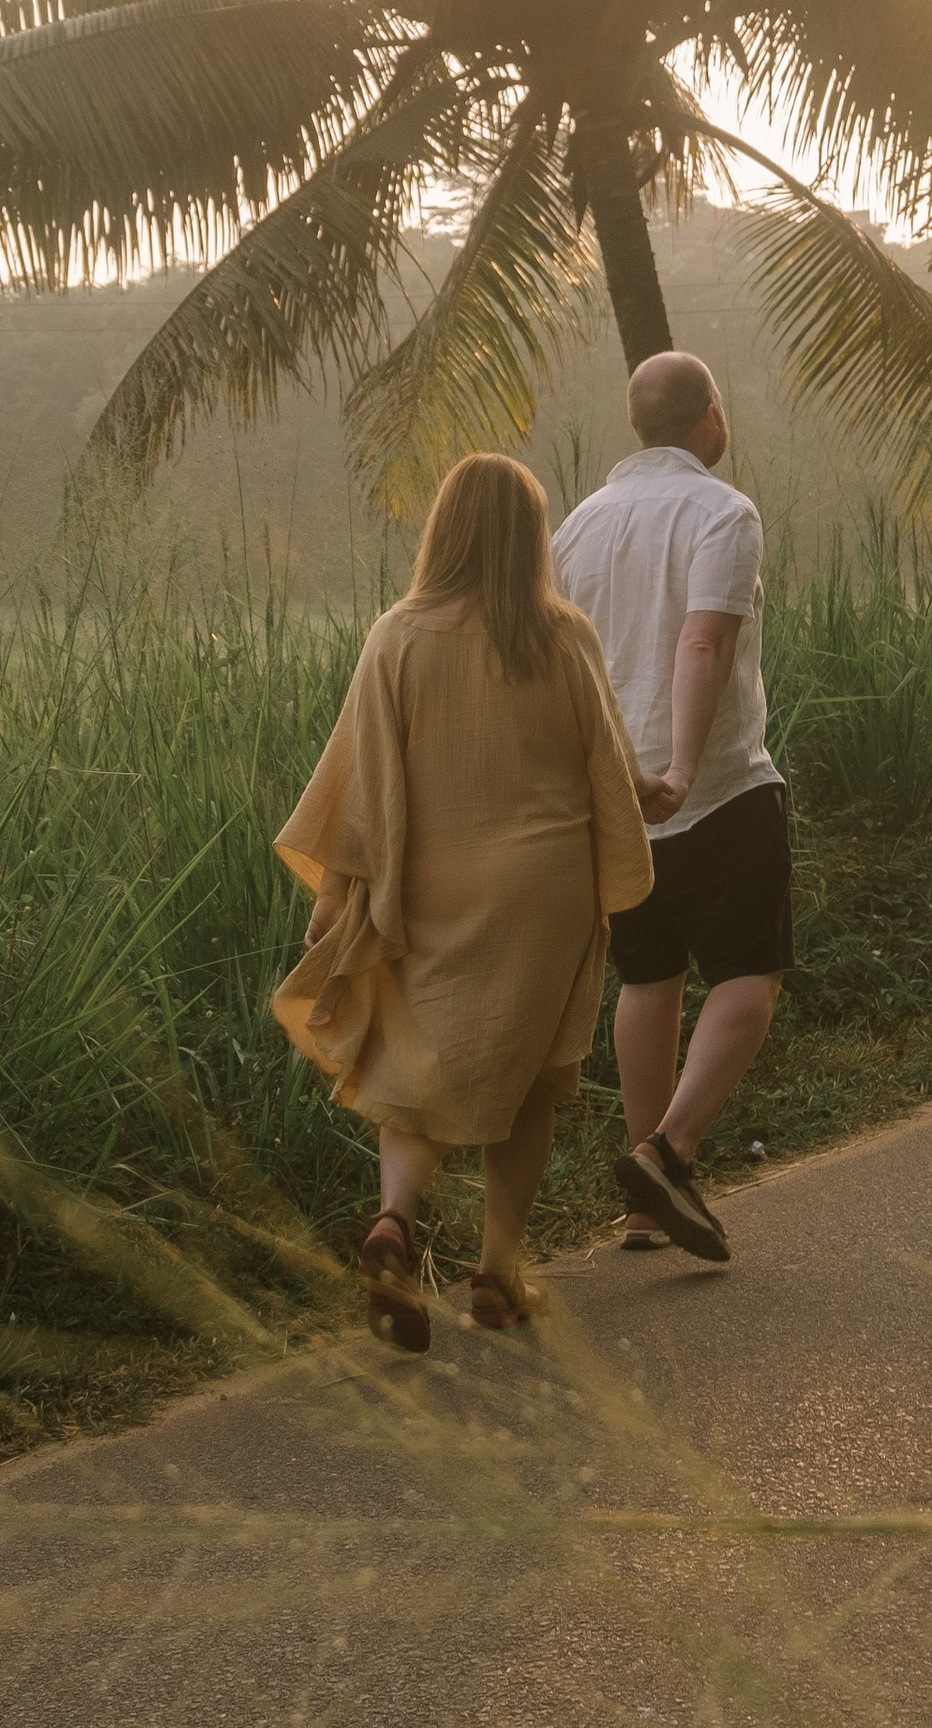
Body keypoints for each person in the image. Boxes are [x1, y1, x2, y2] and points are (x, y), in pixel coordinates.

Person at [270, 452, 654, 1351]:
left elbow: (359, 789)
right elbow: (605, 770)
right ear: (531, 536)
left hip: (431, 884)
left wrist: (335, 899)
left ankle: (395, 1222)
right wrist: (634, 834)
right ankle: (495, 1276)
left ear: (442, 528)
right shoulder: (564, 637)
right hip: (544, 893)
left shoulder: (396, 637)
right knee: (529, 1081)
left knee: (413, 1072)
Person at [552, 350, 788, 1266]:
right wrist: (684, 768)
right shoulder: (722, 511)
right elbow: (705, 638)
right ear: (709, 416)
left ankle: (646, 1211)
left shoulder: (577, 526)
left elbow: (564, 669)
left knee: (647, 978)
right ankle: (668, 1151)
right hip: (720, 784)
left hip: (612, 791)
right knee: (751, 971)